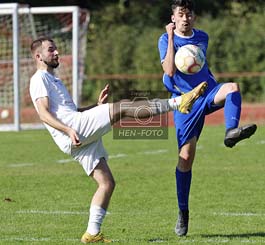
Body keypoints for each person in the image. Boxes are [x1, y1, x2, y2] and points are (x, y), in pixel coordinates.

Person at [29, 36, 207, 243]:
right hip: (73, 130)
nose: (57, 52)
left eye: (56, 49)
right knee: (122, 106)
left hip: (74, 131)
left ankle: (92, 233)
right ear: (39, 56)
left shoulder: (54, 80)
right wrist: (68, 130)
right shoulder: (39, 79)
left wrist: (95, 107)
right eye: (51, 50)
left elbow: (70, 112)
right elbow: (43, 114)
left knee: (106, 184)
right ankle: (178, 102)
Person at [158, 0, 257, 237]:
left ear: (194, 17)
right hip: (185, 103)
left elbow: (197, 64)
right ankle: (183, 213)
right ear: (173, 18)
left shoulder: (203, 37)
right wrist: (171, 38)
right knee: (186, 158)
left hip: (207, 92)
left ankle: (230, 132)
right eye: (180, 14)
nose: (185, 18)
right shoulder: (164, 40)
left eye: (189, 14)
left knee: (232, 87)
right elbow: (170, 71)